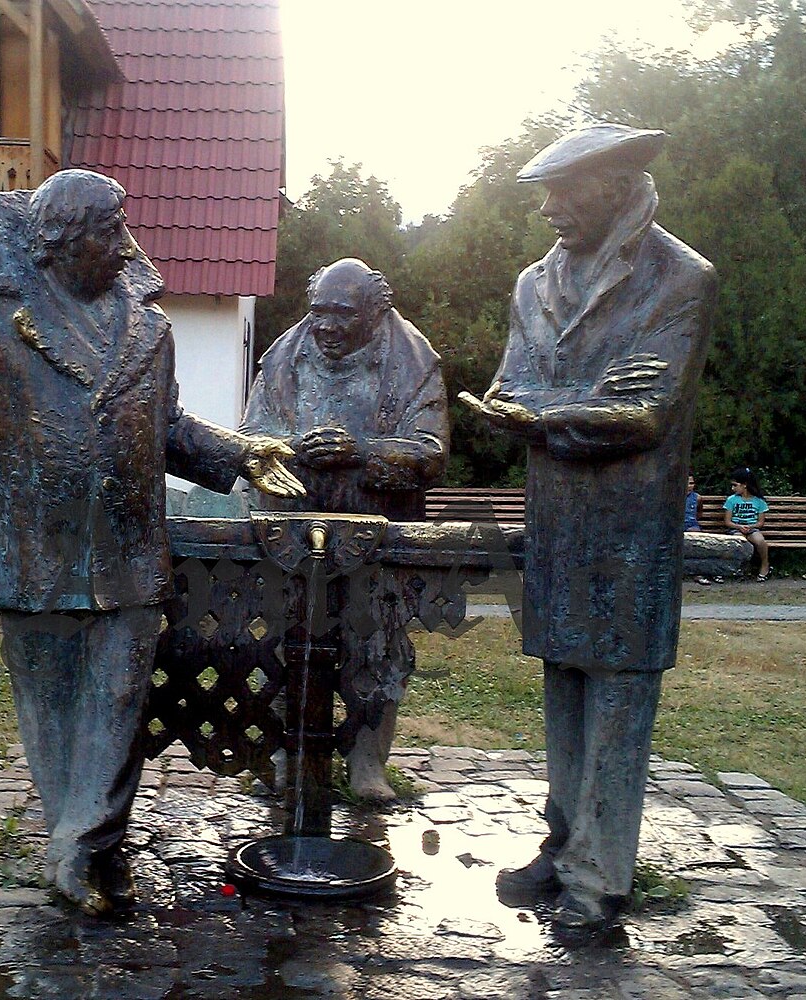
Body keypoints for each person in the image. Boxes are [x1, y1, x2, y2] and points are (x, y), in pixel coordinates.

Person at [0, 169, 304, 916]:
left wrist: (241, 452)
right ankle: (84, 845)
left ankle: (86, 846)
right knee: (54, 713)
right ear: (60, 242)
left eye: (124, 227)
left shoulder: (149, 328)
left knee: (118, 705)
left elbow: (167, 429)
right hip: (35, 558)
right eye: (109, 230)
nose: (126, 246)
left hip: (127, 554)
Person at [459, 123, 717, 942]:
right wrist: (570, 405)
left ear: (617, 184)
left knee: (618, 693)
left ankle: (600, 879)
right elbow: (510, 385)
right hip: (558, 517)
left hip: (632, 525)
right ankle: (563, 845)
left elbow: (645, 412)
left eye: (564, 190)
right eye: (544, 192)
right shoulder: (533, 283)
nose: (548, 209)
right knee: (564, 679)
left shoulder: (680, 277)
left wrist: (546, 413)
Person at [241, 257, 449, 800]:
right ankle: (285, 756)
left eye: (343, 314)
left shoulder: (413, 360)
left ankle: (367, 762)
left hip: (379, 536)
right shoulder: (283, 357)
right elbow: (250, 436)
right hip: (290, 532)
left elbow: (430, 453)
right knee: (283, 646)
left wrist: (363, 452)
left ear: (375, 312)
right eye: (319, 312)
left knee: (376, 647)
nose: (327, 326)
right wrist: (291, 447)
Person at [724, 466, 770, 581]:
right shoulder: (731, 500)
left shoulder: (759, 501)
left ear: (744, 485)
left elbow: (760, 522)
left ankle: (765, 564)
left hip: (752, 529)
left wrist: (751, 527)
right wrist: (739, 527)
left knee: (760, 541)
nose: (732, 488)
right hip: (736, 528)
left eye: (735, 485)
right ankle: (740, 569)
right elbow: (727, 522)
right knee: (740, 541)